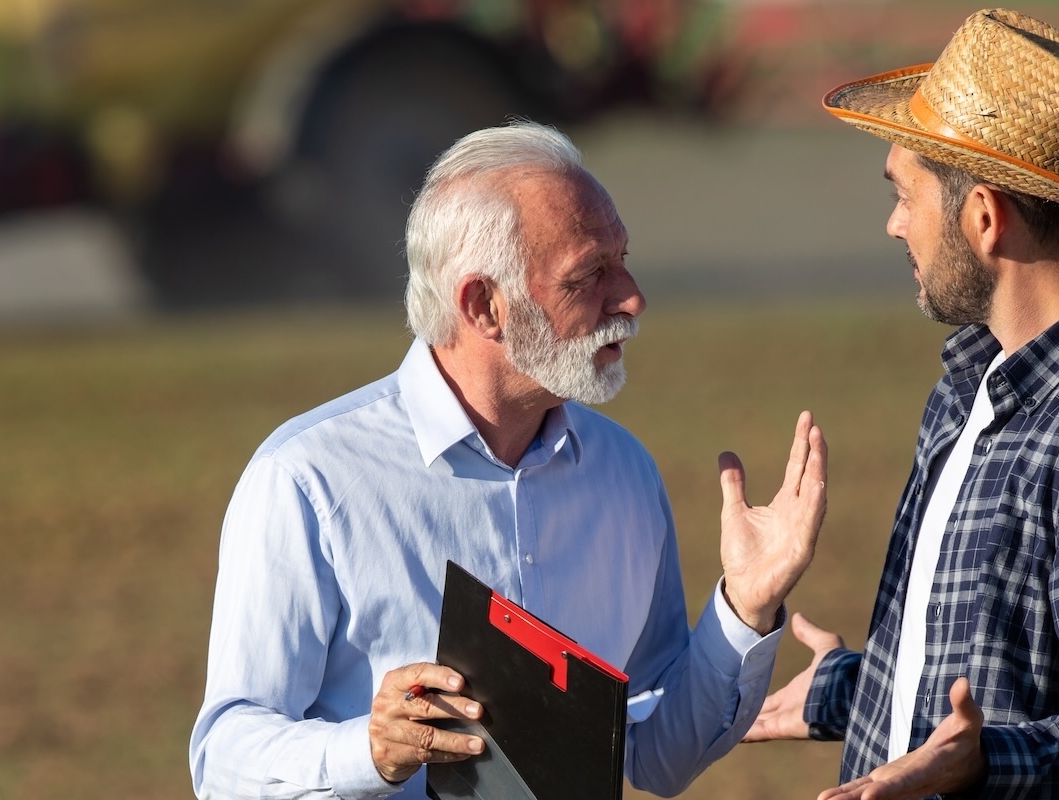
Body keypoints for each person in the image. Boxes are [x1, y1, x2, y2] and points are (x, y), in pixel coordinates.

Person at [188, 120, 828, 799]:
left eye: (624, 260)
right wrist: (368, 750)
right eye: (591, 275)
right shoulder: (309, 479)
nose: (633, 298)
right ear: (483, 306)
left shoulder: (624, 473)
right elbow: (224, 760)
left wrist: (745, 608)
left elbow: (656, 753)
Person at [743, 8, 1059, 800]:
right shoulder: (972, 385)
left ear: (983, 218)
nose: (893, 224)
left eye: (904, 195)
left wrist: (987, 766)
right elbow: (995, 662)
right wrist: (862, 687)